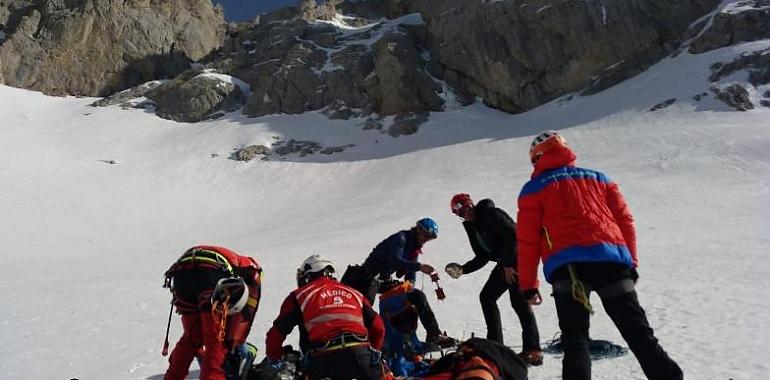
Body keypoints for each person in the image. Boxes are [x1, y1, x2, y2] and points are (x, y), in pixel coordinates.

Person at [516, 130, 683, 380]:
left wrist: (529, 285)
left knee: (575, 339)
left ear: (538, 158)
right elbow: (625, 220)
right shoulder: (600, 178)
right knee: (639, 333)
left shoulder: (533, 189)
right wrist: (631, 261)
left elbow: (528, 241)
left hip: (568, 269)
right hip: (612, 262)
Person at [445, 194, 542, 366]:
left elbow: (513, 235)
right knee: (487, 297)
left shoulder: (490, 214)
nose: (465, 214)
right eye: (460, 213)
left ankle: (533, 350)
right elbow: (483, 256)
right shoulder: (472, 227)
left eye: (465, 208)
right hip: (506, 264)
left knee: (519, 302)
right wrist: (463, 269)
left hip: (519, 259)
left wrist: (506, 264)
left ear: (471, 204)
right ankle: (496, 345)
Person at [265, 254, 387, 380]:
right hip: (360, 354)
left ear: (307, 276)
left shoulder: (299, 296)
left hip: (324, 358)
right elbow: (378, 327)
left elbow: (276, 334)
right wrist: (375, 350)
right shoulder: (354, 293)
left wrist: (274, 358)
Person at [348, 217, 455, 348]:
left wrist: (410, 284)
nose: (426, 239)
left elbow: (410, 272)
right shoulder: (401, 238)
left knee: (417, 296)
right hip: (368, 278)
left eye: (429, 238)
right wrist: (419, 267)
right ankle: (361, 338)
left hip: (382, 280)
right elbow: (395, 260)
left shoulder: (414, 248)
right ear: (418, 230)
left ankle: (433, 334)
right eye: (425, 235)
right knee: (366, 309)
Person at [163, 245, 262, 380]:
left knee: (191, 337)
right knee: (216, 340)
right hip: (210, 274)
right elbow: (247, 312)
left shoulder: (235, 263)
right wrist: (236, 340)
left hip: (181, 277)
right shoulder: (252, 270)